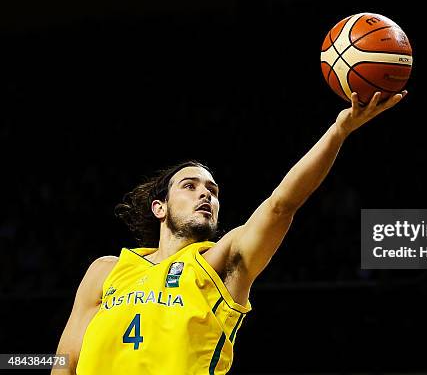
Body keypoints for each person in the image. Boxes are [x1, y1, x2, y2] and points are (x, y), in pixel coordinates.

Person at [52, 90, 407, 374]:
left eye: (213, 190)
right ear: (159, 208)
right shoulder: (105, 271)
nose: (205, 193)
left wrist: (338, 131)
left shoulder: (221, 263)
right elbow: (65, 361)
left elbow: (281, 204)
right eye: (189, 186)